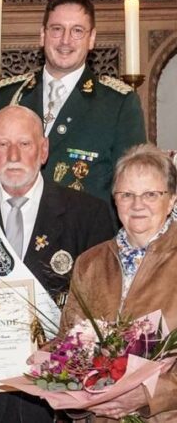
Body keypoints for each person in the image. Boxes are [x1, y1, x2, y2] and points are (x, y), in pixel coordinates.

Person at [0, 105, 115, 422]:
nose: (13, 155)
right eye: (3, 144)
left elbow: (103, 309)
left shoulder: (88, 214)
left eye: (25, 144)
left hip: (56, 398)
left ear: (43, 150)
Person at [0, 0, 146, 203]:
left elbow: (133, 185)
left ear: (91, 39)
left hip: (86, 223)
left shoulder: (118, 104)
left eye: (77, 31)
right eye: (57, 29)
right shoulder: (9, 95)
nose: (65, 40)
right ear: (42, 35)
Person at [60, 144, 177, 422]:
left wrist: (148, 394)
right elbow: (68, 346)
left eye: (150, 194)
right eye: (127, 195)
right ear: (115, 200)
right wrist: (76, 397)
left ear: (172, 199)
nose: (137, 205)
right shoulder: (90, 263)